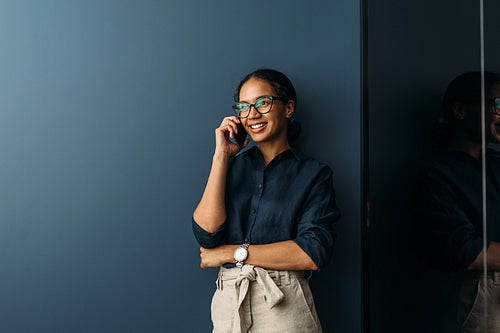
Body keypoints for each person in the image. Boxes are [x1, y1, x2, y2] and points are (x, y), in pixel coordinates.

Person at [192, 69, 340, 333]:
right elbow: (207, 235)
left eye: (263, 103)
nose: (252, 115)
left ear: (288, 108)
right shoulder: (230, 167)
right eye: (244, 107)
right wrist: (221, 156)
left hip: (284, 301)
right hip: (229, 302)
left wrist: (230, 253)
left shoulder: (314, 174)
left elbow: (312, 252)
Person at [415, 71, 500, 332]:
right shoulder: (438, 174)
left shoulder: (497, 165)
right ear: (461, 111)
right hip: (479, 293)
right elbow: (463, 250)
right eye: (498, 104)